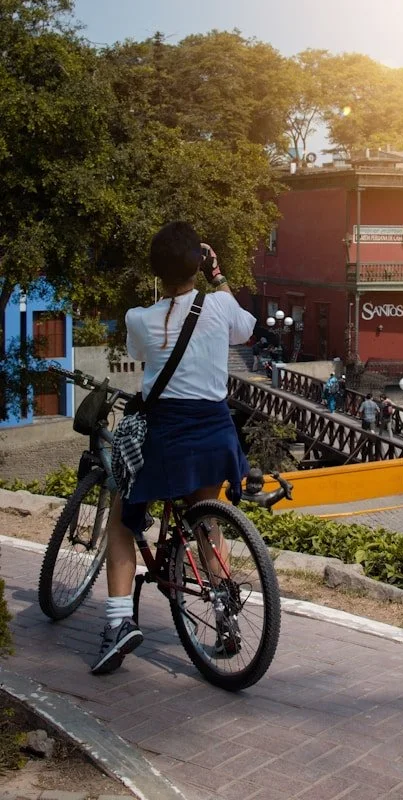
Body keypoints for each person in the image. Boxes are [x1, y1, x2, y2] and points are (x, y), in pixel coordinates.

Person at [90, 221, 256, 676]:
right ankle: (225, 620)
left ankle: (119, 622)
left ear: (156, 272)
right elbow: (245, 331)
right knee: (206, 517)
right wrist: (218, 276)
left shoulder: (140, 319)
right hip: (215, 434)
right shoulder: (220, 305)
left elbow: (141, 353)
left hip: (168, 437)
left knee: (125, 518)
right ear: (198, 265)